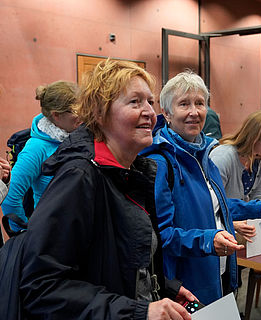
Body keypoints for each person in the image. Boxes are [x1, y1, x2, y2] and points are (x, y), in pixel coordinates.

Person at [19, 59, 194, 319]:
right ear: (100, 114)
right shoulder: (79, 178)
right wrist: (139, 311)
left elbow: (114, 263)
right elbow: (41, 287)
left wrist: (164, 289)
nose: (149, 112)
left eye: (150, 101)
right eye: (135, 102)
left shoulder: (131, 172)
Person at [140, 70, 261, 305]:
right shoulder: (161, 164)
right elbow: (161, 236)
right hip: (188, 284)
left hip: (219, 273)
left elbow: (214, 206)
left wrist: (256, 208)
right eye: (184, 104)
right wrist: (206, 240)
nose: (194, 112)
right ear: (167, 113)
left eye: (200, 103)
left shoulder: (205, 155)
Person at [1, 80, 81, 231]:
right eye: (75, 111)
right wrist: (24, 235)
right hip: (52, 234)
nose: (82, 115)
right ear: (56, 115)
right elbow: (10, 197)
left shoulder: (79, 137)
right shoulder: (36, 148)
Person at [210, 110, 261, 242]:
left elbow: (260, 195)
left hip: (241, 227)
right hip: (218, 230)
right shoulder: (223, 157)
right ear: (255, 138)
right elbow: (210, 204)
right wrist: (232, 224)